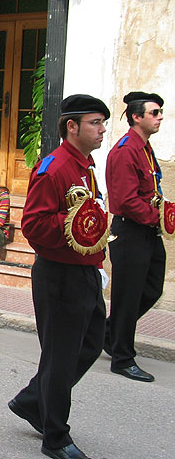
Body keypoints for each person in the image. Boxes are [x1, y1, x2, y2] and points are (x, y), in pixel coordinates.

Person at [8, 95, 110, 459]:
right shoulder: (53, 168)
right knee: (61, 356)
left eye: (102, 123)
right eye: (95, 122)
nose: (101, 130)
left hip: (84, 270)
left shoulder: (85, 165)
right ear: (72, 126)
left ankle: (34, 400)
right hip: (59, 274)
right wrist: (75, 222)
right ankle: (56, 437)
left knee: (92, 342)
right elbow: (33, 226)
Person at [103, 91, 166, 382]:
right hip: (130, 230)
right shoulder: (126, 150)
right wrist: (157, 217)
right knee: (127, 298)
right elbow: (126, 200)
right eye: (154, 113)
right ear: (137, 117)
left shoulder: (144, 147)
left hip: (148, 231)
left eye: (160, 112)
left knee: (151, 289)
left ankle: (108, 333)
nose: (160, 117)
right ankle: (122, 357)